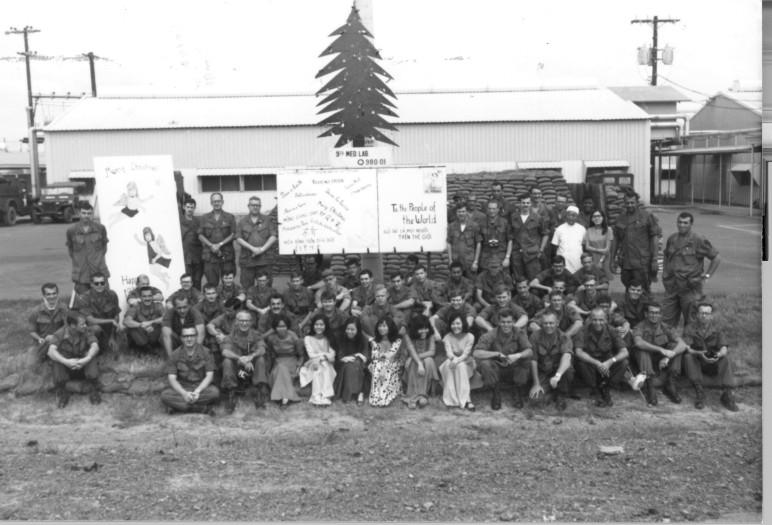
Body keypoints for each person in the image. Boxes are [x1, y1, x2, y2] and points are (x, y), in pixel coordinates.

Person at [662, 212, 721, 328]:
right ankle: (669, 339)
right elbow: (666, 255)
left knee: (692, 322)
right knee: (666, 322)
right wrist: (665, 273)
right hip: (672, 287)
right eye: (679, 222)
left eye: (685, 223)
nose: (682, 225)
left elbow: (716, 258)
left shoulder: (698, 240)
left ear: (691, 224)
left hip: (690, 289)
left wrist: (707, 275)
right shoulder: (672, 239)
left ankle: (690, 340)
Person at [682, 303, 739, 411]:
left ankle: (727, 394)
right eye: (701, 313)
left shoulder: (717, 329)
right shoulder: (689, 328)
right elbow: (687, 348)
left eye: (707, 313)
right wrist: (699, 354)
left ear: (711, 315)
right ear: (697, 314)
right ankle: (699, 392)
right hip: (697, 361)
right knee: (688, 357)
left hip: (713, 361)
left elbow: (724, 347)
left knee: (725, 358)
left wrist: (718, 355)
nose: (704, 316)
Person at [473, 309, 532, 410]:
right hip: (497, 367)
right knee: (485, 364)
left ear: (513, 322)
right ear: (499, 322)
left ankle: (517, 390)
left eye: (509, 322)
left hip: (513, 366)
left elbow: (529, 351)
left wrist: (518, 355)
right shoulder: (492, 333)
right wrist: (496, 354)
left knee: (526, 360)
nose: (506, 325)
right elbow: (476, 353)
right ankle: (495, 392)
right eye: (503, 322)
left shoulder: (519, 332)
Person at [632, 302, 687, 407]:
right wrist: (661, 349)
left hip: (660, 361)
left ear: (660, 314)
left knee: (675, 347)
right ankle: (650, 387)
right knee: (641, 350)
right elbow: (638, 342)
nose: (654, 315)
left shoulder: (665, 327)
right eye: (651, 312)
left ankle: (670, 384)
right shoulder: (640, 327)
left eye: (657, 313)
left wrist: (668, 357)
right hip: (645, 362)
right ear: (646, 314)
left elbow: (682, 344)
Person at [573, 308, 630, 407]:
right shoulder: (583, 330)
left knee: (624, 363)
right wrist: (596, 363)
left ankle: (606, 387)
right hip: (591, 363)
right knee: (581, 363)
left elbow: (624, 352)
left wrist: (610, 361)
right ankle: (595, 389)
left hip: (607, 362)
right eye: (595, 320)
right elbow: (578, 352)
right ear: (590, 319)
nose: (598, 323)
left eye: (601, 320)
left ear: (605, 320)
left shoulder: (611, 330)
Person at [160, 325, 219, 414]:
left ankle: (179, 407)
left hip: (200, 387)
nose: (189, 339)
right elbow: (172, 378)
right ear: (181, 338)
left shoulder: (206, 352)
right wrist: (184, 393)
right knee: (165, 395)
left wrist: (197, 391)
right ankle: (199, 408)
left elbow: (209, 376)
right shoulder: (175, 354)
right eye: (185, 336)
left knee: (214, 393)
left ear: (196, 337)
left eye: (192, 335)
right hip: (183, 387)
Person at [47, 312, 102, 408]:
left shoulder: (86, 331)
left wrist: (87, 358)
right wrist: (66, 362)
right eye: (82, 324)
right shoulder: (60, 333)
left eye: (85, 323)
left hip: (82, 365)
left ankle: (93, 389)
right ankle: (63, 391)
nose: (85, 326)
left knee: (92, 355)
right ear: (73, 325)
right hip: (67, 367)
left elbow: (95, 346)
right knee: (56, 359)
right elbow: (50, 351)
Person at [221, 310, 269, 412]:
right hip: (237, 369)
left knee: (260, 359)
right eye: (241, 321)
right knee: (227, 361)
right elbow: (225, 351)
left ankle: (259, 393)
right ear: (236, 322)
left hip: (252, 368)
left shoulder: (256, 335)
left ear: (251, 322)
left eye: (247, 321)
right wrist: (240, 358)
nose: (244, 323)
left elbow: (262, 349)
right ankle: (231, 394)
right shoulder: (230, 337)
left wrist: (251, 356)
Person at [612, 191, 660, 292]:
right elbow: (616, 240)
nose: (630, 205)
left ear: (637, 203)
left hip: (642, 262)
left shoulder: (646, 216)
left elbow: (654, 238)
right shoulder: (620, 218)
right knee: (628, 288)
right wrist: (612, 259)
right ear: (624, 203)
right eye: (627, 203)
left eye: (632, 202)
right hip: (626, 262)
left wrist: (655, 259)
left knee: (644, 290)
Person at [528, 311, 574, 411]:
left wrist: (557, 376)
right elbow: (533, 360)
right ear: (541, 323)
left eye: (551, 323)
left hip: (559, 373)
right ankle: (552, 393)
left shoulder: (564, 337)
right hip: (543, 372)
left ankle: (561, 395)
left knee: (568, 368)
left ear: (557, 323)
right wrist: (536, 384)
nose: (548, 326)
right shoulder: (534, 336)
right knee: (535, 401)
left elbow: (567, 357)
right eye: (545, 323)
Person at [66, 202, 110, 294]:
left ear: (92, 214)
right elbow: (71, 251)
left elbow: (104, 248)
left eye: (89, 213)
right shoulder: (71, 231)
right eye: (84, 213)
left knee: (103, 299)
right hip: (81, 274)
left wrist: (96, 259)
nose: (86, 216)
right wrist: (79, 261)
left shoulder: (100, 228)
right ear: (79, 213)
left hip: (99, 272)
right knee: (83, 300)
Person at [236, 196, 278, 288]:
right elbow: (238, 238)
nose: (255, 207)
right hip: (247, 260)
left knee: (266, 287)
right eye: (253, 205)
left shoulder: (267, 220)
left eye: (257, 205)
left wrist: (262, 249)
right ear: (248, 206)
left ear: (260, 206)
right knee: (247, 287)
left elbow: (273, 236)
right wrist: (253, 249)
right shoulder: (242, 221)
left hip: (264, 260)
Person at [198, 192, 237, 287]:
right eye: (214, 201)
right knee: (212, 283)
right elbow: (200, 235)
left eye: (218, 201)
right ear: (211, 203)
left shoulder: (230, 217)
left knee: (228, 283)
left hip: (226, 255)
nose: (216, 203)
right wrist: (211, 245)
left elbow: (233, 234)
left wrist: (220, 244)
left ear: (222, 202)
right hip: (210, 255)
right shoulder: (204, 218)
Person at [75, 272, 121, 352]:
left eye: (102, 283)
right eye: (96, 283)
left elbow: (116, 316)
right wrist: (111, 320)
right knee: (97, 329)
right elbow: (90, 320)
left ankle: (107, 342)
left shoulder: (112, 295)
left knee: (115, 350)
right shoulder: (84, 298)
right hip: (92, 329)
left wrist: (112, 336)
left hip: (108, 330)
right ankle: (90, 346)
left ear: (105, 284)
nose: (100, 285)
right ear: (91, 284)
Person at [265, 314, 304, 408]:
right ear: (275, 328)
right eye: (279, 326)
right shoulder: (271, 338)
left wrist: (299, 365)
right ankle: (284, 397)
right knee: (280, 369)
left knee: (282, 369)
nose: (281, 329)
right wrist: (268, 368)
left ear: (287, 326)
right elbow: (270, 354)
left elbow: (301, 355)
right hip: (278, 361)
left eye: (283, 326)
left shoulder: (293, 336)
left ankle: (284, 399)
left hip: (291, 361)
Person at [439, 312, 476, 410]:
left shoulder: (470, 336)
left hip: (467, 362)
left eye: (458, 323)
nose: (455, 326)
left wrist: (457, 361)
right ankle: (451, 400)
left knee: (461, 366)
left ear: (463, 323)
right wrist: (454, 360)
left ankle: (466, 399)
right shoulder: (447, 337)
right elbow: (449, 353)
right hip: (452, 360)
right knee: (449, 364)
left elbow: (466, 354)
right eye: (453, 324)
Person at [510, 193, 549, 282]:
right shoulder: (513, 217)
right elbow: (510, 235)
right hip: (517, 254)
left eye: (527, 203)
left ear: (531, 203)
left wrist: (541, 250)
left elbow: (545, 234)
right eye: (523, 203)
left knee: (533, 279)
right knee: (519, 281)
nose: (525, 205)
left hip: (532, 254)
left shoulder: (538, 218)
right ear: (519, 204)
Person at [403, 314, 439, 409]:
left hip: (426, 360)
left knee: (429, 360)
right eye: (421, 329)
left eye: (426, 328)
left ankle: (423, 394)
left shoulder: (430, 335)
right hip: (414, 362)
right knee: (414, 362)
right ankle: (413, 396)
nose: (424, 331)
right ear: (415, 329)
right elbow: (411, 350)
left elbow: (432, 352)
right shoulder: (408, 336)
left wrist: (414, 358)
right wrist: (418, 362)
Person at [300, 314, 337, 406]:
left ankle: (325, 396)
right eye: (316, 324)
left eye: (321, 324)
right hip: (312, 364)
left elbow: (332, 354)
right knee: (318, 367)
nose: (319, 327)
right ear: (313, 326)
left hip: (327, 364)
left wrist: (322, 357)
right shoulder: (308, 338)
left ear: (325, 326)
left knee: (324, 366)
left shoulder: (328, 338)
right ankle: (316, 396)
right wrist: (324, 355)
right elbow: (311, 355)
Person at [368, 316, 404, 407]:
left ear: (390, 327)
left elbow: (391, 356)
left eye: (384, 326)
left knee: (382, 368)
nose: (381, 328)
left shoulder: (397, 341)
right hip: (377, 364)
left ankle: (383, 398)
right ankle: (376, 397)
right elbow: (375, 356)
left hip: (393, 364)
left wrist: (384, 368)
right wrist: (380, 361)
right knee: (377, 365)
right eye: (380, 326)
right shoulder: (374, 341)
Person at [333, 316, 370, 405]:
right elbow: (340, 356)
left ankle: (358, 393)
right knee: (350, 365)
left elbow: (365, 356)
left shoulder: (363, 339)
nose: (349, 331)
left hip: (360, 364)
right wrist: (353, 356)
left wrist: (357, 356)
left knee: (356, 363)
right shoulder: (340, 337)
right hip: (342, 364)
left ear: (358, 330)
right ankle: (350, 393)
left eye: (352, 329)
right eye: (348, 329)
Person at [28, 282, 68, 363]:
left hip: (59, 341)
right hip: (43, 342)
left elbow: (67, 326)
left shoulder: (64, 308)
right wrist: (39, 339)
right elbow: (32, 331)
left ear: (57, 294)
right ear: (44, 295)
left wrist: (61, 336)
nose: (52, 296)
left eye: (54, 293)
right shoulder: (36, 311)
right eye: (48, 294)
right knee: (32, 364)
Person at [123, 285, 164, 354]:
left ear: (152, 296)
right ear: (140, 297)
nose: (147, 298)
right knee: (131, 327)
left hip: (153, 332)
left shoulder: (158, 305)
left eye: (149, 296)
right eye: (144, 296)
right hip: (141, 335)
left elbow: (166, 318)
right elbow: (126, 321)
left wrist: (151, 322)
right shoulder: (135, 307)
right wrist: (141, 325)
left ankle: (154, 345)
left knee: (164, 324)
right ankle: (143, 347)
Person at [446, 203, 482, 275]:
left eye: (463, 211)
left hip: (469, 262)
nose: (461, 214)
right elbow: (449, 243)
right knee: (455, 280)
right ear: (456, 213)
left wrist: (475, 261)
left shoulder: (474, 226)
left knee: (471, 281)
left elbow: (478, 243)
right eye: (459, 212)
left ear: (467, 212)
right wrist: (450, 260)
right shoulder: (451, 226)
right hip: (456, 261)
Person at [551, 205, 586, 273]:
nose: (571, 217)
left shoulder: (582, 229)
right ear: (566, 216)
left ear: (577, 217)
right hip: (563, 262)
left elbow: (584, 246)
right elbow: (554, 246)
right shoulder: (559, 229)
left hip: (577, 261)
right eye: (569, 215)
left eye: (573, 215)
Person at [479, 200, 512, 270]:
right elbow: (479, 242)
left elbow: (510, 240)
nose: (491, 211)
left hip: (501, 256)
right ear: (487, 209)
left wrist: (507, 257)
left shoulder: (505, 222)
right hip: (486, 257)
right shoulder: (482, 223)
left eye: (494, 209)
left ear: (498, 209)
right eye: (490, 208)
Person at [583, 209, 614, 281]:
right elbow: (587, 247)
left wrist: (601, 261)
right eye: (594, 216)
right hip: (592, 258)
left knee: (604, 278)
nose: (596, 218)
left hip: (604, 258)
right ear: (592, 219)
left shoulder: (608, 230)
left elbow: (607, 249)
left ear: (603, 217)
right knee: (593, 278)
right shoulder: (589, 230)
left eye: (599, 216)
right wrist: (599, 250)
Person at [180, 197, 203, 289]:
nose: (190, 209)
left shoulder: (198, 221)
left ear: (194, 208)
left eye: (192, 207)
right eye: (188, 207)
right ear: (184, 207)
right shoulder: (179, 221)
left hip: (197, 255)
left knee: (197, 280)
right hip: (185, 255)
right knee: (187, 279)